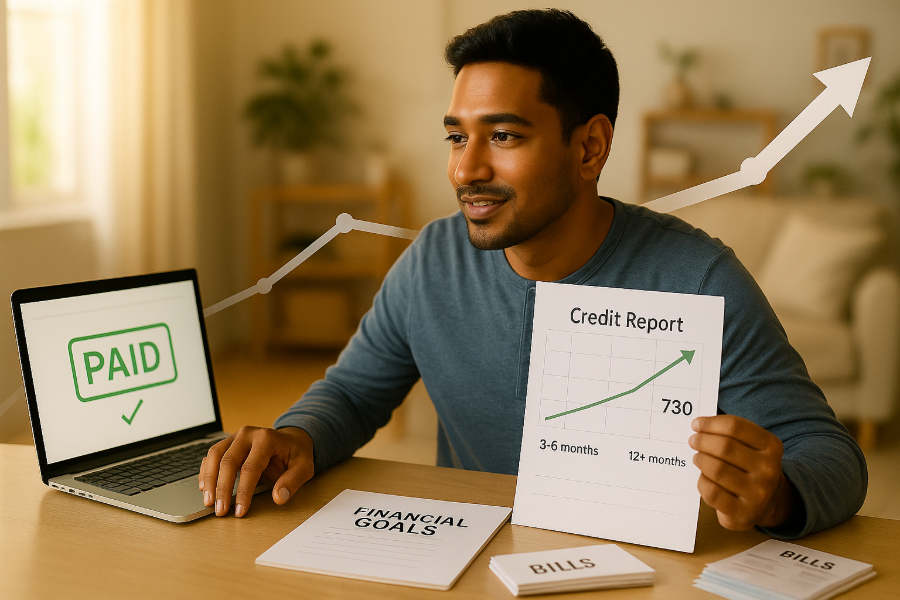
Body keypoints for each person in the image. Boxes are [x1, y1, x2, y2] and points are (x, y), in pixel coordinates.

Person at [199, 9, 866, 538]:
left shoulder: (700, 276)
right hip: (473, 562)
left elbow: (831, 458)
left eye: (505, 136)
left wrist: (776, 494)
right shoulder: (431, 261)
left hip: (641, 572)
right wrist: (295, 436)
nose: (466, 169)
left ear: (590, 147)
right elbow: (350, 395)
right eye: (457, 136)